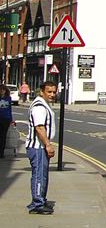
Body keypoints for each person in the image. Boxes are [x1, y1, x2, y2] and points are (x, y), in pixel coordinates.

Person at [26, 81, 57, 215]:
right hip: (38, 147)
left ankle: (41, 200)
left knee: (42, 175)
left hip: (40, 147)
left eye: (54, 92)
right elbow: (39, 128)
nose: (52, 94)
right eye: (49, 92)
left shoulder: (43, 104)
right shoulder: (39, 106)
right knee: (39, 175)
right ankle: (37, 204)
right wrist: (48, 144)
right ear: (42, 92)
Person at [0, 85, 12, 157]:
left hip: (6, 119)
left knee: (3, 136)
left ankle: (1, 153)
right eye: (1, 89)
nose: (2, 91)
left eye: (3, 90)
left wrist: (11, 119)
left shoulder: (8, 98)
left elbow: (10, 109)